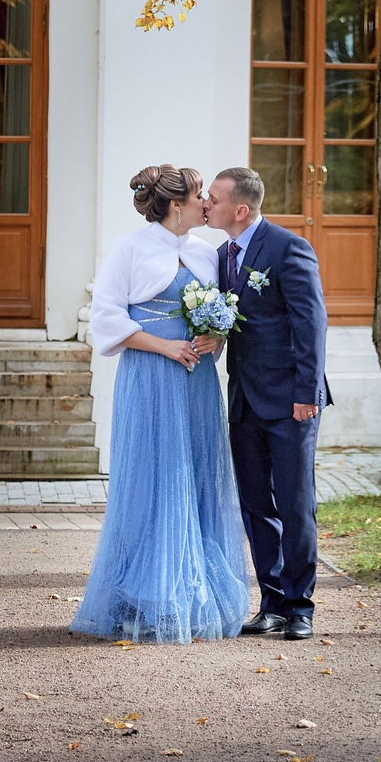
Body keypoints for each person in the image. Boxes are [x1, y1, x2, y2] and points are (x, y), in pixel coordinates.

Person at [72, 165, 251, 642]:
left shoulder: (206, 254)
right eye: (199, 197)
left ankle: (194, 592)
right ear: (176, 205)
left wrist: (214, 336)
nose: (206, 205)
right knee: (154, 476)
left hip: (195, 382)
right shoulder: (130, 248)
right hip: (151, 377)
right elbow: (106, 316)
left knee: (194, 476)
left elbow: (219, 313)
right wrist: (164, 346)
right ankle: (143, 595)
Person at [203, 166, 330, 640]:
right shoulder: (221, 255)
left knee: (295, 504)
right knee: (257, 505)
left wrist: (306, 394)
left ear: (240, 208)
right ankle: (272, 603)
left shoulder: (287, 247)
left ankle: (301, 608)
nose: (205, 204)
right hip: (244, 399)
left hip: (291, 400)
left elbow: (310, 324)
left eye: (212, 198)